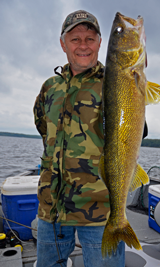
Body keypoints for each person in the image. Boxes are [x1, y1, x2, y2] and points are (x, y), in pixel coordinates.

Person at [33, 10, 125, 267]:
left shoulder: (116, 82)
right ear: (63, 44)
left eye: (90, 38)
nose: (83, 45)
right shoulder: (49, 87)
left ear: (99, 43)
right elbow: (43, 126)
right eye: (75, 39)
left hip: (99, 210)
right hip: (51, 208)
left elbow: (130, 130)